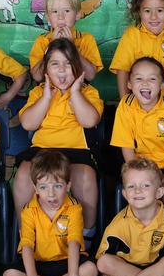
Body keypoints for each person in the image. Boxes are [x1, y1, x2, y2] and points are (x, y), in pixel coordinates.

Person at [15, 38, 103, 249]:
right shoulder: (38, 93)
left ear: (77, 68)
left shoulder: (88, 93)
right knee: (23, 175)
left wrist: (74, 93)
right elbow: (27, 123)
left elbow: (90, 121)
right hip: (42, 150)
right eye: (55, 64)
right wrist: (46, 97)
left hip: (77, 150)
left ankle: (87, 232)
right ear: (46, 69)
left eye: (67, 64)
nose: (62, 70)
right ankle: (26, 232)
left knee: (85, 176)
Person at [3, 150, 98, 276]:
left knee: (91, 269)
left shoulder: (74, 208)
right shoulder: (28, 210)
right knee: (9, 275)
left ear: (68, 186)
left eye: (58, 186)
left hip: (67, 261)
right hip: (39, 263)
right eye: (44, 187)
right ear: (35, 188)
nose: (51, 194)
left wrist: (73, 275)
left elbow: (74, 242)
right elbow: (26, 245)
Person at [110, 57, 164, 215]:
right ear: (129, 84)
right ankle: (142, 235)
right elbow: (126, 147)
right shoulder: (125, 107)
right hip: (137, 167)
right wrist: (139, 176)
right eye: (139, 78)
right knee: (140, 193)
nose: (145, 83)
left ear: (162, 85)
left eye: (152, 79)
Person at [29, 0, 102, 83]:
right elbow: (37, 77)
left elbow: (90, 76)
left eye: (67, 11)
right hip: (50, 93)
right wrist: (51, 47)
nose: (60, 17)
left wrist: (72, 47)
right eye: (55, 11)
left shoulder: (86, 39)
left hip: (79, 92)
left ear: (77, 14)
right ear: (48, 17)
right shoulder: (42, 41)